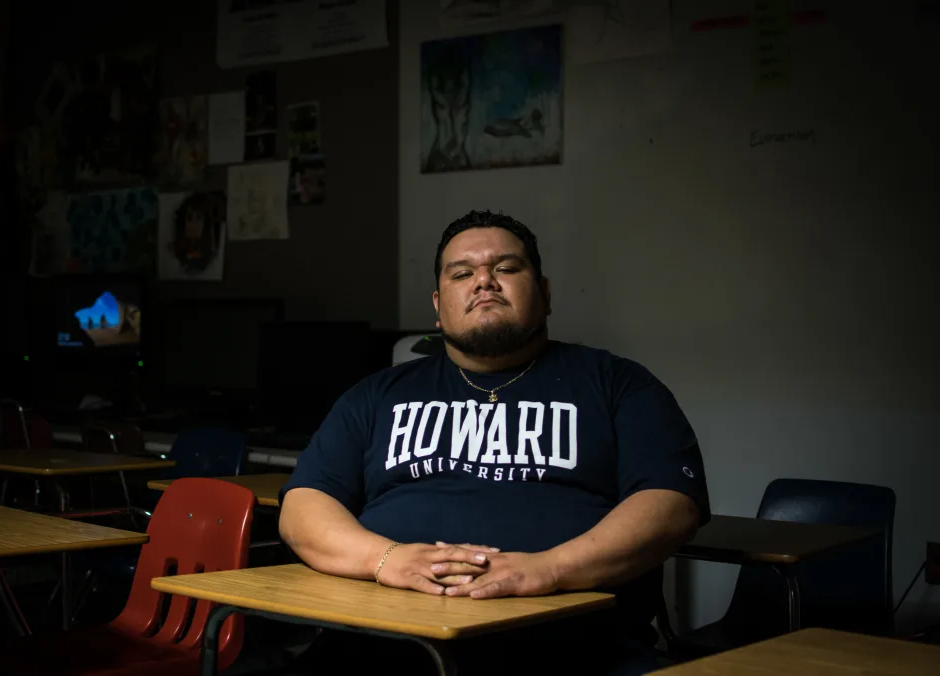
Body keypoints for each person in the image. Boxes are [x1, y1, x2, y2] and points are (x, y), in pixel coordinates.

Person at [277, 210, 710, 675]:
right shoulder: (376, 395)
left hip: (565, 648)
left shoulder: (619, 385)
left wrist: (550, 569)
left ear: (544, 293)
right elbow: (303, 506)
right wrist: (386, 560)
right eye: (463, 273)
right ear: (439, 305)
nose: (484, 281)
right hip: (383, 642)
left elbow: (671, 504)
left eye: (506, 268)